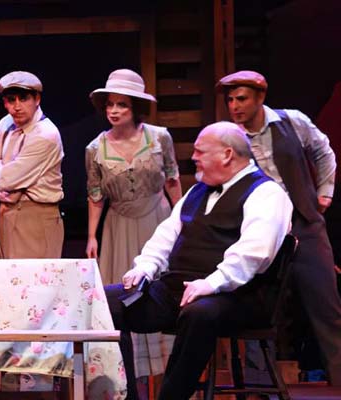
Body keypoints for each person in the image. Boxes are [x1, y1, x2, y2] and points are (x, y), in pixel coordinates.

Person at [105, 121, 292, 399]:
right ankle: (127, 395)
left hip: (239, 295)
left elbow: (256, 252)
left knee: (199, 313)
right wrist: (145, 267)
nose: (193, 157)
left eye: (199, 151)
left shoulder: (267, 194)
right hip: (179, 291)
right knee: (104, 302)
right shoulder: (197, 191)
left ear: (227, 154)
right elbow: (165, 237)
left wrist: (212, 283)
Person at [216, 70, 341, 385]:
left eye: (241, 98)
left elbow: (324, 152)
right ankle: (260, 386)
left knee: (326, 306)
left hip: (304, 224)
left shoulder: (291, 122)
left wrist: (324, 193)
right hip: (261, 232)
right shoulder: (231, 137)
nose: (234, 106)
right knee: (259, 309)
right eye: (230, 99)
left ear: (260, 97)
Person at [85, 68, 182, 398]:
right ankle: (131, 388)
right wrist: (92, 236)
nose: (114, 111)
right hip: (119, 226)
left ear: (135, 107)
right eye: (110, 104)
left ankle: (168, 385)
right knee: (124, 300)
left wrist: (183, 223)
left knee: (160, 294)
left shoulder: (159, 138)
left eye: (122, 105)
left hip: (157, 219)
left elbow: (172, 181)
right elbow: (96, 195)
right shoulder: (95, 148)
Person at [0, 70, 64, 259]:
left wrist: (0, 169)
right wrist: (0, 178)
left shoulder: (46, 134)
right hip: (6, 215)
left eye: (23, 98)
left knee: (34, 283)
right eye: (11, 99)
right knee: (7, 281)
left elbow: (9, 179)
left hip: (36, 217)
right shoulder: (5, 123)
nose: (16, 106)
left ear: (37, 99)